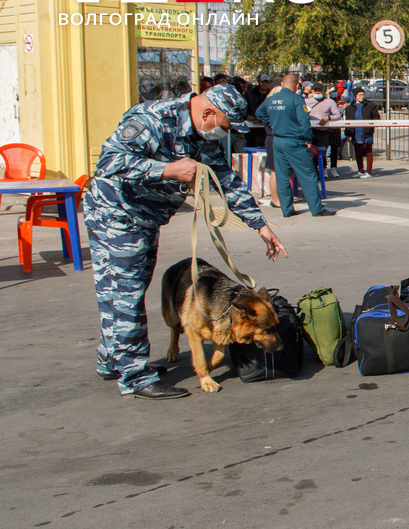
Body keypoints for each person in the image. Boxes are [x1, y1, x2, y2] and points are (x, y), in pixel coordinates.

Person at [84, 84, 288, 400]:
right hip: (117, 213)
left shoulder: (200, 137)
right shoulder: (153, 118)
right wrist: (167, 169)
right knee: (126, 293)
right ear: (207, 113)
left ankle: (113, 360)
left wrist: (260, 225)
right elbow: (110, 163)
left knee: (120, 289)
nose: (225, 133)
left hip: (145, 219)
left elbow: (226, 181)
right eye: (224, 126)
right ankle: (135, 376)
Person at [256, 75, 334, 218]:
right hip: (294, 141)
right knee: (307, 174)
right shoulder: (296, 99)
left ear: (281, 84)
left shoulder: (271, 99)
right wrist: (308, 139)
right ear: (297, 85)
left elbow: (259, 113)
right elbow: (304, 121)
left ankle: (287, 209)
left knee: (282, 175)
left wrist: (273, 124)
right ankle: (316, 209)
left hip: (278, 141)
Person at [308, 83, 343, 178]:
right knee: (310, 153)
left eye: (320, 90)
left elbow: (337, 115)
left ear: (323, 91)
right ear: (312, 91)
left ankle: (322, 170)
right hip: (310, 131)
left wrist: (328, 118)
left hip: (322, 132)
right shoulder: (306, 101)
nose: (318, 92)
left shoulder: (330, 102)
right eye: (316, 90)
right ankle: (315, 173)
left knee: (322, 154)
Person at [344, 88, 380, 177]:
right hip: (356, 133)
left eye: (362, 94)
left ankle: (368, 171)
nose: (361, 96)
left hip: (367, 132)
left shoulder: (370, 105)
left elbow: (376, 117)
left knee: (368, 152)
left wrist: (371, 126)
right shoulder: (349, 108)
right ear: (355, 96)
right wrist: (348, 133)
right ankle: (360, 170)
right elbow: (348, 121)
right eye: (359, 95)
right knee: (358, 153)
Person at [243, 74, 272, 149]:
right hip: (250, 130)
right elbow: (243, 108)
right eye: (262, 82)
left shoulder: (271, 95)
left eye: (266, 82)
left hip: (265, 130)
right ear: (259, 82)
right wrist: (247, 116)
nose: (264, 84)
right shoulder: (249, 93)